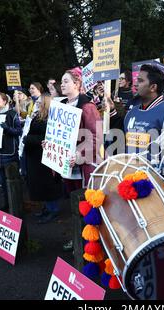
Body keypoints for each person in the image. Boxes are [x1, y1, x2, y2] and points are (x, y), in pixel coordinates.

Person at [59, 67, 102, 251]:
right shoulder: (60, 106)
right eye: (61, 82)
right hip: (68, 167)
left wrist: (80, 155)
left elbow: (96, 136)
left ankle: (92, 246)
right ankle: (79, 239)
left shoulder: (88, 106)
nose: (62, 84)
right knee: (74, 206)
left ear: (77, 84)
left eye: (66, 81)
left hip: (84, 166)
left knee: (88, 207)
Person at [124, 64, 164, 157]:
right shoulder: (131, 113)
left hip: (155, 171)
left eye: (140, 81)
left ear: (153, 87)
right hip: (130, 169)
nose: (135, 84)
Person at [23, 95, 63, 224]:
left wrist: (28, 139)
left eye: (40, 102)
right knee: (41, 185)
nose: (37, 103)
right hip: (36, 156)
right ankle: (47, 208)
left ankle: (53, 210)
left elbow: (46, 138)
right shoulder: (38, 116)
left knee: (48, 184)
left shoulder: (50, 119)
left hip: (44, 157)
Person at [0, 92, 21, 211]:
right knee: (2, 181)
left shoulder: (12, 114)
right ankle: (7, 203)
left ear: (5, 101)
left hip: (9, 151)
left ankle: (17, 204)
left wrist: (7, 129)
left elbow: (18, 131)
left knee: (12, 180)